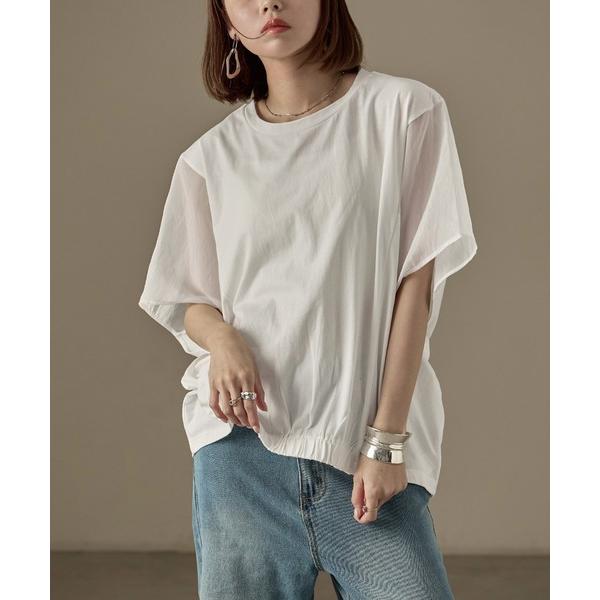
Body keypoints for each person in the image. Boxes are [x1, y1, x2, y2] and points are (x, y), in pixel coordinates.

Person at [138, 1, 477, 598]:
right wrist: (223, 340)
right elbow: (190, 297)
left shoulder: (403, 111)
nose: (269, 3)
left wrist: (385, 440)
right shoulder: (209, 160)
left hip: (364, 450)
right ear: (227, 20)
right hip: (240, 456)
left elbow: (416, 287)